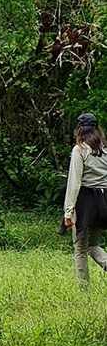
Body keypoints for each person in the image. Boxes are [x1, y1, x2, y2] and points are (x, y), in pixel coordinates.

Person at [62, 112, 107, 285]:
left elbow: (74, 181)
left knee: (80, 247)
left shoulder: (80, 150)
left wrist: (69, 210)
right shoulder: (105, 149)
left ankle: (84, 287)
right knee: (92, 244)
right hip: (104, 201)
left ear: (80, 130)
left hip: (86, 203)